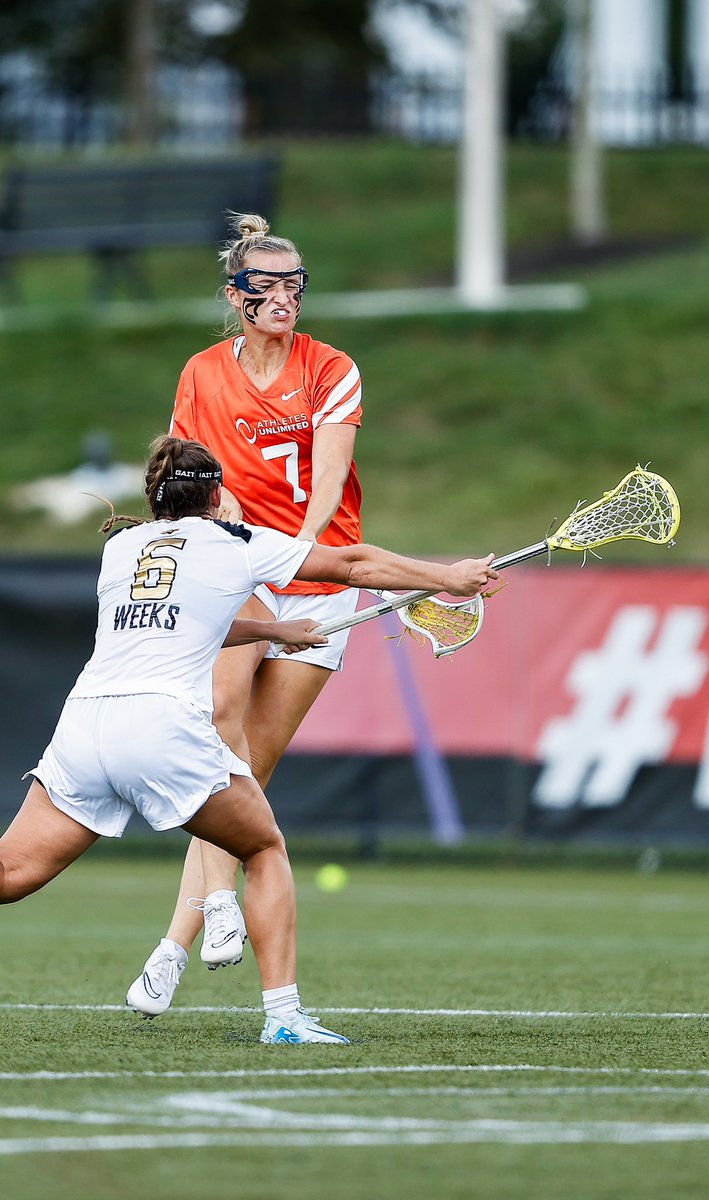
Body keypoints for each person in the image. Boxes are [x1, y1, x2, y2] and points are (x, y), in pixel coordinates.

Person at [1, 435, 497, 1045]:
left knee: (10, 874)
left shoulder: (121, 547)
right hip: (161, 730)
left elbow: (190, 613)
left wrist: (273, 628)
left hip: (85, 725)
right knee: (263, 850)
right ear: (216, 492)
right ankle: (284, 1019)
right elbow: (351, 564)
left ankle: (209, 939)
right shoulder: (239, 543)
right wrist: (448, 576)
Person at [125, 212, 372, 1017]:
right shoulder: (201, 372)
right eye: (266, 284)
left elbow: (331, 476)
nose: (284, 297)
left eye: (294, 282)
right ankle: (214, 913)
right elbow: (185, 470)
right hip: (242, 566)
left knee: (243, 780)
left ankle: (170, 947)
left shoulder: (331, 367)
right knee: (219, 713)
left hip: (323, 576)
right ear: (237, 295)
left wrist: (301, 552)